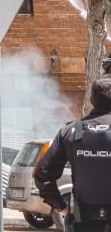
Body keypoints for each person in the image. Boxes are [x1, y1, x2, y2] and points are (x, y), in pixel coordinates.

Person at [35, 76, 111, 231]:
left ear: (90, 100)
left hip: (82, 223)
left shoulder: (70, 132)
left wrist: (61, 207)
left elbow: (42, 174)